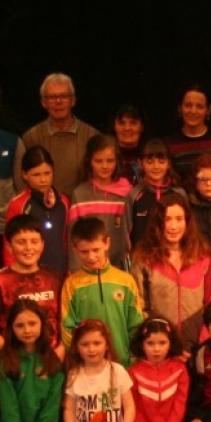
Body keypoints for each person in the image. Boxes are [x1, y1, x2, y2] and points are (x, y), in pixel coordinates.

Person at [131, 193, 211, 355]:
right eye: (167, 219)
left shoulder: (203, 254)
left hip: (198, 345)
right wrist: (158, 340)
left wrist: (205, 338)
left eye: (179, 219)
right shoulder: (143, 257)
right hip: (160, 348)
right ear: (158, 222)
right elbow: (139, 305)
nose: (173, 226)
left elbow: (210, 300)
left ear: (187, 221)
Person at [61, 217, 145, 367]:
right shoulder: (71, 284)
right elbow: (67, 327)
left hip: (123, 362)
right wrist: (77, 357)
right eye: (84, 252)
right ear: (75, 249)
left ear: (107, 243)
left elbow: (136, 323)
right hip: (86, 365)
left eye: (96, 250)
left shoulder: (125, 281)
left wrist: (134, 356)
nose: (91, 257)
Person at [0, 299, 64, 422]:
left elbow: (53, 402)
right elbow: (7, 404)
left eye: (32, 323)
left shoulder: (52, 360)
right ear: (11, 329)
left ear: (42, 324)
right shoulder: (5, 361)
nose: (27, 330)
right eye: (19, 325)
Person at [63, 319, 135, 422]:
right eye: (85, 344)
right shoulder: (74, 374)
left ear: (106, 345)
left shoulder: (118, 371)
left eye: (97, 343)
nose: (91, 349)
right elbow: (68, 410)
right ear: (77, 347)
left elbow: (129, 407)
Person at [16, 73, 99, 196]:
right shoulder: (30, 138)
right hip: (42, 207)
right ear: (43, 102)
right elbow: (21, 181)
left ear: (73, 100)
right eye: (52, 97)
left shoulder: (92, 136)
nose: (58, 101)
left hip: (83, 205)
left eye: (64, 96)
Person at [128, 318, 189, 422]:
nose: (156, 349)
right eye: (150, 343)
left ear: (171, 343)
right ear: (141, 345)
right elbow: (133, 410)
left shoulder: (180, 369)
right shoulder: (133, 372)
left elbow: (179, 407)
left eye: (162, 343)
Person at [0, 215, 63, 357]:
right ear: (9, 246)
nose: (28, 248)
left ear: (42, 244)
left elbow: (65, 320)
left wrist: (61, 351)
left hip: (52, 357)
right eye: (21, 242)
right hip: (14, 360)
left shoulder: (56, 279)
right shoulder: (2, 281)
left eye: (34, 241)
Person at [68, 135, 132, 271]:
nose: (105, 166)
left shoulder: (127, 193)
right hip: (88, 267)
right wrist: (75, 270)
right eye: (98, 161)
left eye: (110, 161)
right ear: (89, 161)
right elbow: (74, 236)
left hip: (120, 268)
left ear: (117, 161)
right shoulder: (80, 194)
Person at [5, 145, 69, 275]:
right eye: (36, 175)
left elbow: (66, 238)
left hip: (59, 271)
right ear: (24, 175)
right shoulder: (18, 204)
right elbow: (8, 245)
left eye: (47, 173)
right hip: (28, 273)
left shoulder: (64, 201)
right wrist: (13, 275)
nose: (43, 179)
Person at [124, 138, 187, 247]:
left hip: (173, 253)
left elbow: (187, 227)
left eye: (161, 162)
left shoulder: (179, 194)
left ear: (169, 163)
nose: (156, 166)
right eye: (150, 162)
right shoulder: (134, 195)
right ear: (140, 163)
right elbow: (126, 233)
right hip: (142, 254)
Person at [165, 84, 211, 179]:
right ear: (180, 108)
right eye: (188, 105)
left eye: (199, 106)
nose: (193, 111)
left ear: (208, 110)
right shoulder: (169, 144)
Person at [111, 103, 145, 184]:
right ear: (114, 127)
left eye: (133, 123)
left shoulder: (150, 155)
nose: (127, 128)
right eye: (121, 123)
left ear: (141, 127)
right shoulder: (103, 156)